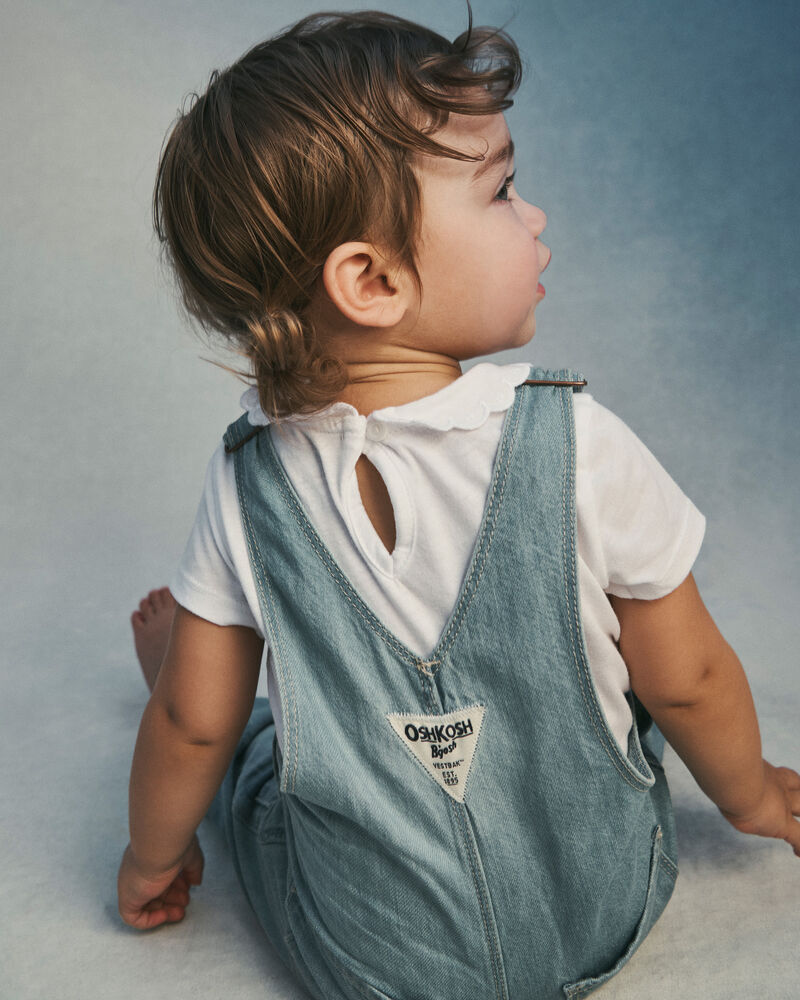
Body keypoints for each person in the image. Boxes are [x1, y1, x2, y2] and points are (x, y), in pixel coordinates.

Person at [118, 9, 800, 999]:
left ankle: (202, 672)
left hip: (368, 960)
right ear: (372, 279)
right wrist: (748, 795)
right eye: (502, 190)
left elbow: (187, 722)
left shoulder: (249, 480)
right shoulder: (576, 441)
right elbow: (686, 676)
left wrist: (150, 860)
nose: (533, 218)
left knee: (239, 745)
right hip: (599, 906)